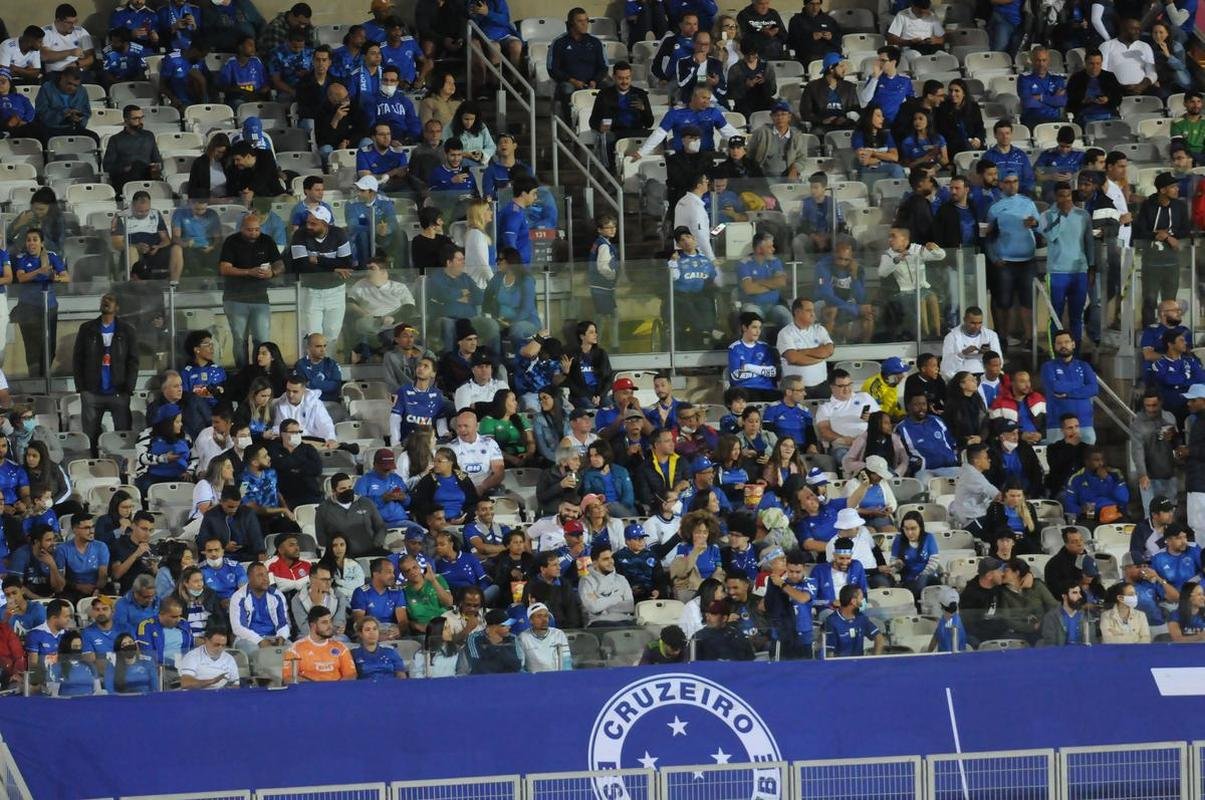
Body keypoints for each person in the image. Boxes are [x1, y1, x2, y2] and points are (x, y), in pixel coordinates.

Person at [218, 214, 283, 371]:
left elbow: (280, 264)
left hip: (260, 298)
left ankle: (259, 373)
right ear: (241, 228)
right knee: (240, 340)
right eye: (249, 230)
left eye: (256, 229)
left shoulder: (267, 240)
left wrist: (272, 273)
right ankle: (243, 372)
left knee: (261, 339)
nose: (254, 233)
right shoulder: (232, 241)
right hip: (235, 297)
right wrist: (248, 272)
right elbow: (224, 268)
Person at [1040, 330, 1099, 444]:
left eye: (1066, 342)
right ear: (1055, 346)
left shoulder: (1084, 366)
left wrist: (1069, 393)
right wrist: (1081, 385)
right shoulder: (1048, 367)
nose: (1063, 345)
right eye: (1059, 343)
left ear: (1073, 344)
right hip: (1057, 424)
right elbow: (1055, 387)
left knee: (1087, 455)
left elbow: (1093, 388)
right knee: (1058, 455)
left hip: (1084, 423)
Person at [314, 473, 388, 558]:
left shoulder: (365, 502)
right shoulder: (324, 509)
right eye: (343, 488)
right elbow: (321, 537)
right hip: (343, 556)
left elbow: (381, 526)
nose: (348, 491)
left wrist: (377, 543)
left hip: (371, 551)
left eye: (349, 487)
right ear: (333, 491)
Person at [197, 487, 266, 561]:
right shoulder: (211, 516)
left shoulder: (248, 513)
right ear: (221, 502)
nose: (234, 510)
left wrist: (261, 552)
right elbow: (202, 542)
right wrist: (223, 546)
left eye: (237, 506)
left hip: (246, 555)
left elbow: (256, 536)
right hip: (220, 556)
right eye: (230, 507)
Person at [822, 584, 885, 657]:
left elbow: (879, 639)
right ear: (853, 601)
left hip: (859, 663)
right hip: (841, 663)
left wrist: (874, 660)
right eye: (861, 598)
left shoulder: (861, 618)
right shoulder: (831, 622)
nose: (864, 602)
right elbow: (829, 654)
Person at [949, 444, 1000, 531]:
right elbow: (998, 496)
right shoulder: (973, 476)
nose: (989, 460)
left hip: (973, 517)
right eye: (986, 458)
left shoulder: (969, 470)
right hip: (972, 521)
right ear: (977, 461)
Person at [1067, 49, 1123, 125]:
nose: (1095, 67)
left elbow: (1118, 97)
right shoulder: (1076, 78)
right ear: (1086, 63)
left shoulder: (1109, 77)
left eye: (1098, 63)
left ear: (1101, 63)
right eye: (1091, 64)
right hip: (1085, 115)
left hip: (1109, 113)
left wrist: (1107, 99)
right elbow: (1070, 100)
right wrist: (1083, 100)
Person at [463, 608, 524, 674]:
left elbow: (519, 663)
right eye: (505, 625)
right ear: (493, 626)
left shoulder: (512, 637)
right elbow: (476, 663)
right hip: (483, 677)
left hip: (511, 676)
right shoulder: (474, 638)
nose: (509, 627)